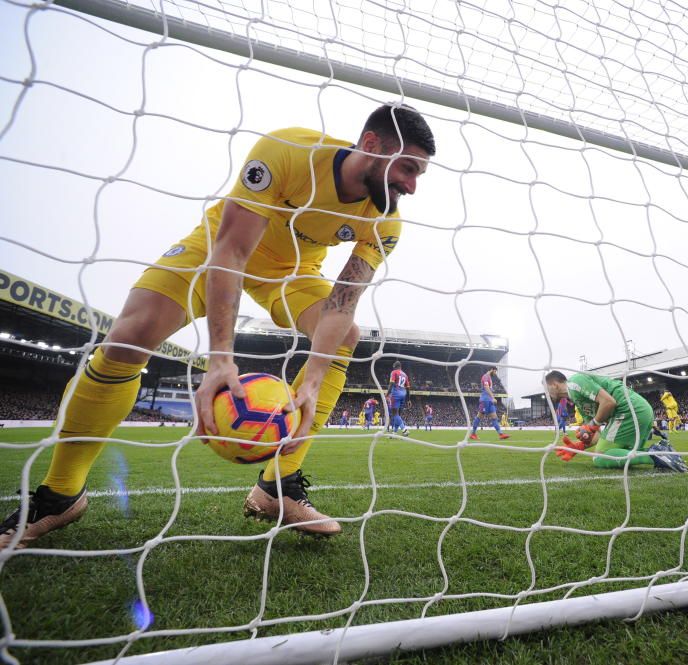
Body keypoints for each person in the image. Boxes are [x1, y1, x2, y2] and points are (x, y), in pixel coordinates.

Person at [0, 104, 436, 548]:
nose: (412, 186)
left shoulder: (386, 222)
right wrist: (220, 358)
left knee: (344, 335)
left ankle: (276, 489)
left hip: (292, 273)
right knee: (129, 336)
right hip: (219, 246)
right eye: (407, 168)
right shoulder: (286, 151)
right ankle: (60, 494)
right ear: (370, 145)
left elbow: (343, 301)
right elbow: (231, 250)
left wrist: (313, 381)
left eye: (420, 174)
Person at [545, 370, 686, 472]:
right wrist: (580, 446)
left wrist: (592, 425)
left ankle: (656, 456)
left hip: (629, 411)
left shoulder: (575, 382)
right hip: (640, 411)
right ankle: (662, 451)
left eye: (546, 389)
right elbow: (595, 437)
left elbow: (608, 402)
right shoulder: (578, 401)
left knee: (599, 456)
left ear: (554, 384)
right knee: (620, 452)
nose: (546, 393)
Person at [470, 366, 510, 440]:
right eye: (495, 371)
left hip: (490, 401)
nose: (495, 373)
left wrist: (491, 398)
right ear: (491, 370)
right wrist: (493, 397)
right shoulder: (485, 376)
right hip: (485, 400)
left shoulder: (489, 378)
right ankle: (473, 434)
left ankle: (501, 434)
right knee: (479, 416)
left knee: (494, 417)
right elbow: (486, 387)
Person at [387, 361, 410, 435]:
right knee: (398, 415)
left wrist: (387, 394)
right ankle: (394, 432)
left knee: (395, 414)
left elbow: (391, 383)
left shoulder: (394, 372)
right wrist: (409, 399)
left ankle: (404, 429)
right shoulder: (405, 375)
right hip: (404, 394)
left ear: (395, 366)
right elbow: (408, 388)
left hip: (396, 393)